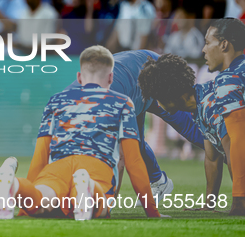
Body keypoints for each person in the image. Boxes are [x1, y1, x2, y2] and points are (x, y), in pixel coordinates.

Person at [0, 45, 162, 220]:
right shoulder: (122, 103)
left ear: (79, 77)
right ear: (111, 77)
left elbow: (41, 153)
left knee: (42, 201)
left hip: (59, 167)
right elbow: (133, 161)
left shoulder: (56, 101)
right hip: (95, 166)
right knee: (100, 207)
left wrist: (25, 208)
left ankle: (14, 184)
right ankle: (88, 187)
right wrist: (153, 212)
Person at [65, 50, 205, 198]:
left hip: (155, 79)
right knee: (135, 143)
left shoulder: (107, 105)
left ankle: (227, 153)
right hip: (130, 84)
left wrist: (105, 208)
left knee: (195, 132)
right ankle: (159, 181)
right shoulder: (64, 111)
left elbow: (118, 160)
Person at [138, 53, 233, 214]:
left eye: (158, 98)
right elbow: (212, 157)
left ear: (170, 96)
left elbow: (235, 155)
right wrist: (209, 206)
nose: (157, 104)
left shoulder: (210, 107)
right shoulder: (201, 105)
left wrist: (239, 203)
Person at [201, 18, 245, 215]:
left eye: (208, 42)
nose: (203, 50)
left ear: (224, 44)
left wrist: (239, 201)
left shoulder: (229, 79)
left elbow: (238, 139)